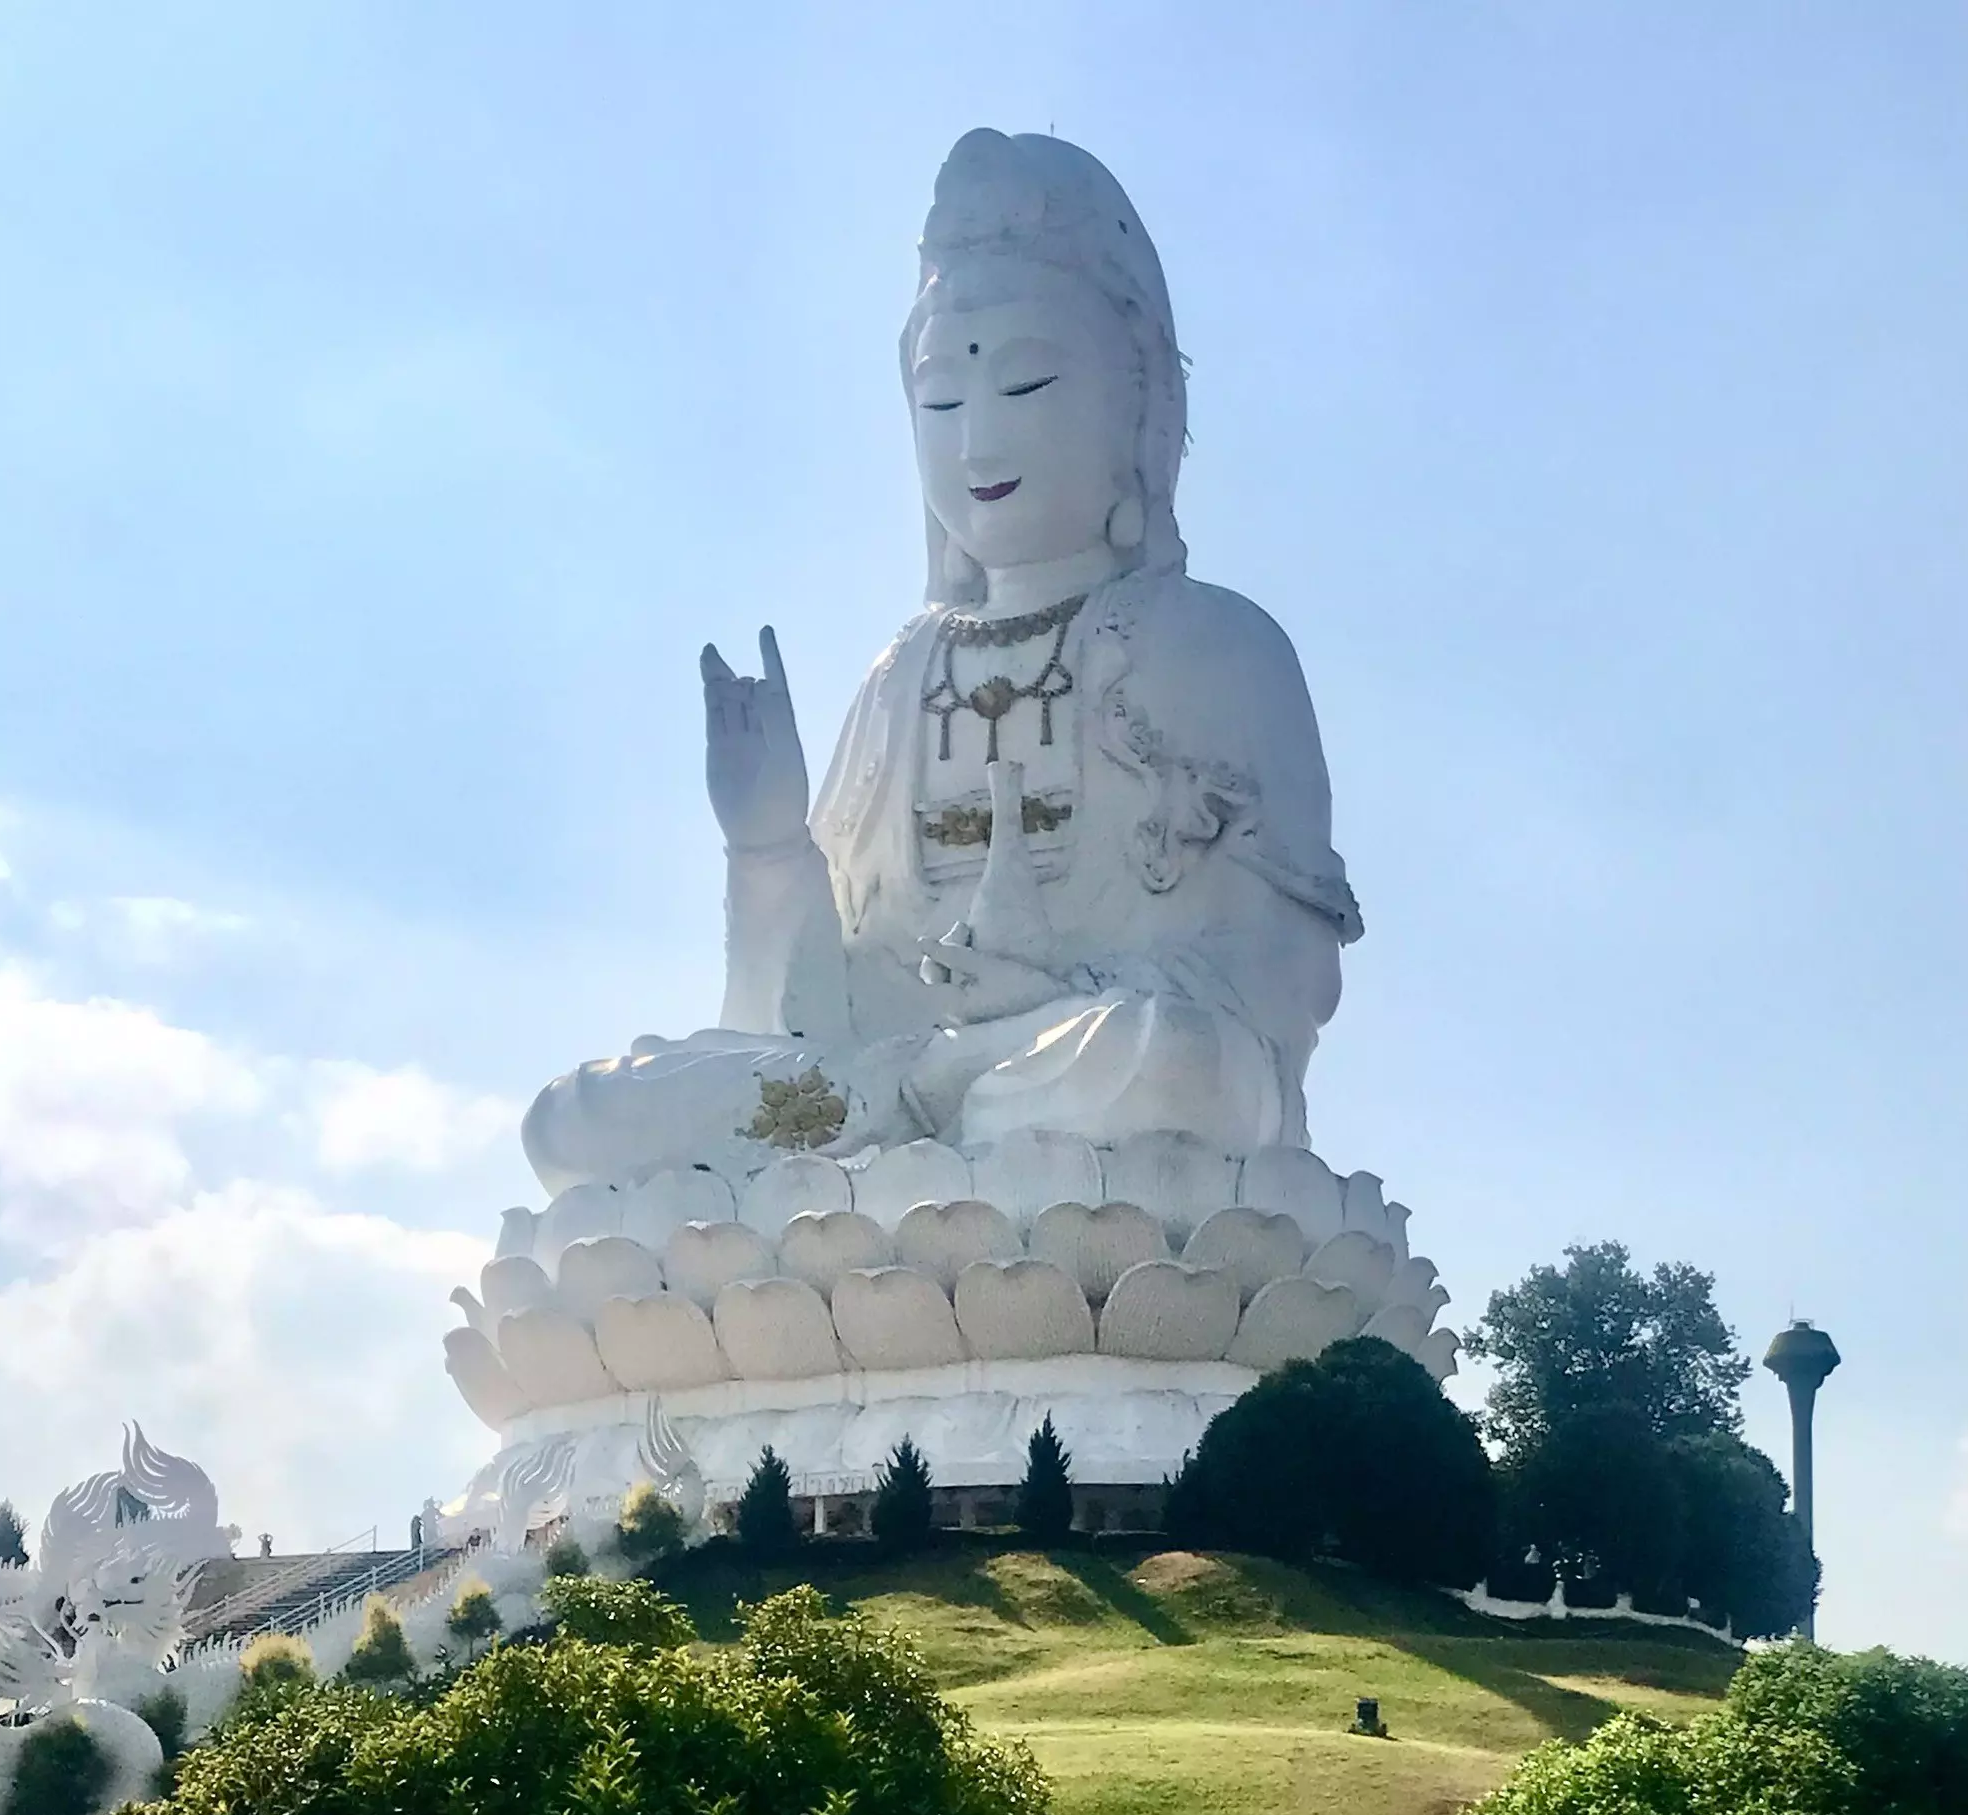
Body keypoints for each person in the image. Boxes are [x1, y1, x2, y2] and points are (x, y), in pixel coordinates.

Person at [523, 129, 1359, 1198]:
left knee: (1168, 1067)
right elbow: (800, 1016)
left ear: (1138, 400)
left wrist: (1032, 998)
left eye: (1027, 385)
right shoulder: (898, 675)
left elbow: (1273, 997)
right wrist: (769, 843)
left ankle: (897, 1160)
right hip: (882, 1087)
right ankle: (902, 1155)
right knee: (575, 1118)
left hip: (1086, 1070)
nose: (977, 446)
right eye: (943, 402)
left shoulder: (1214, 646)